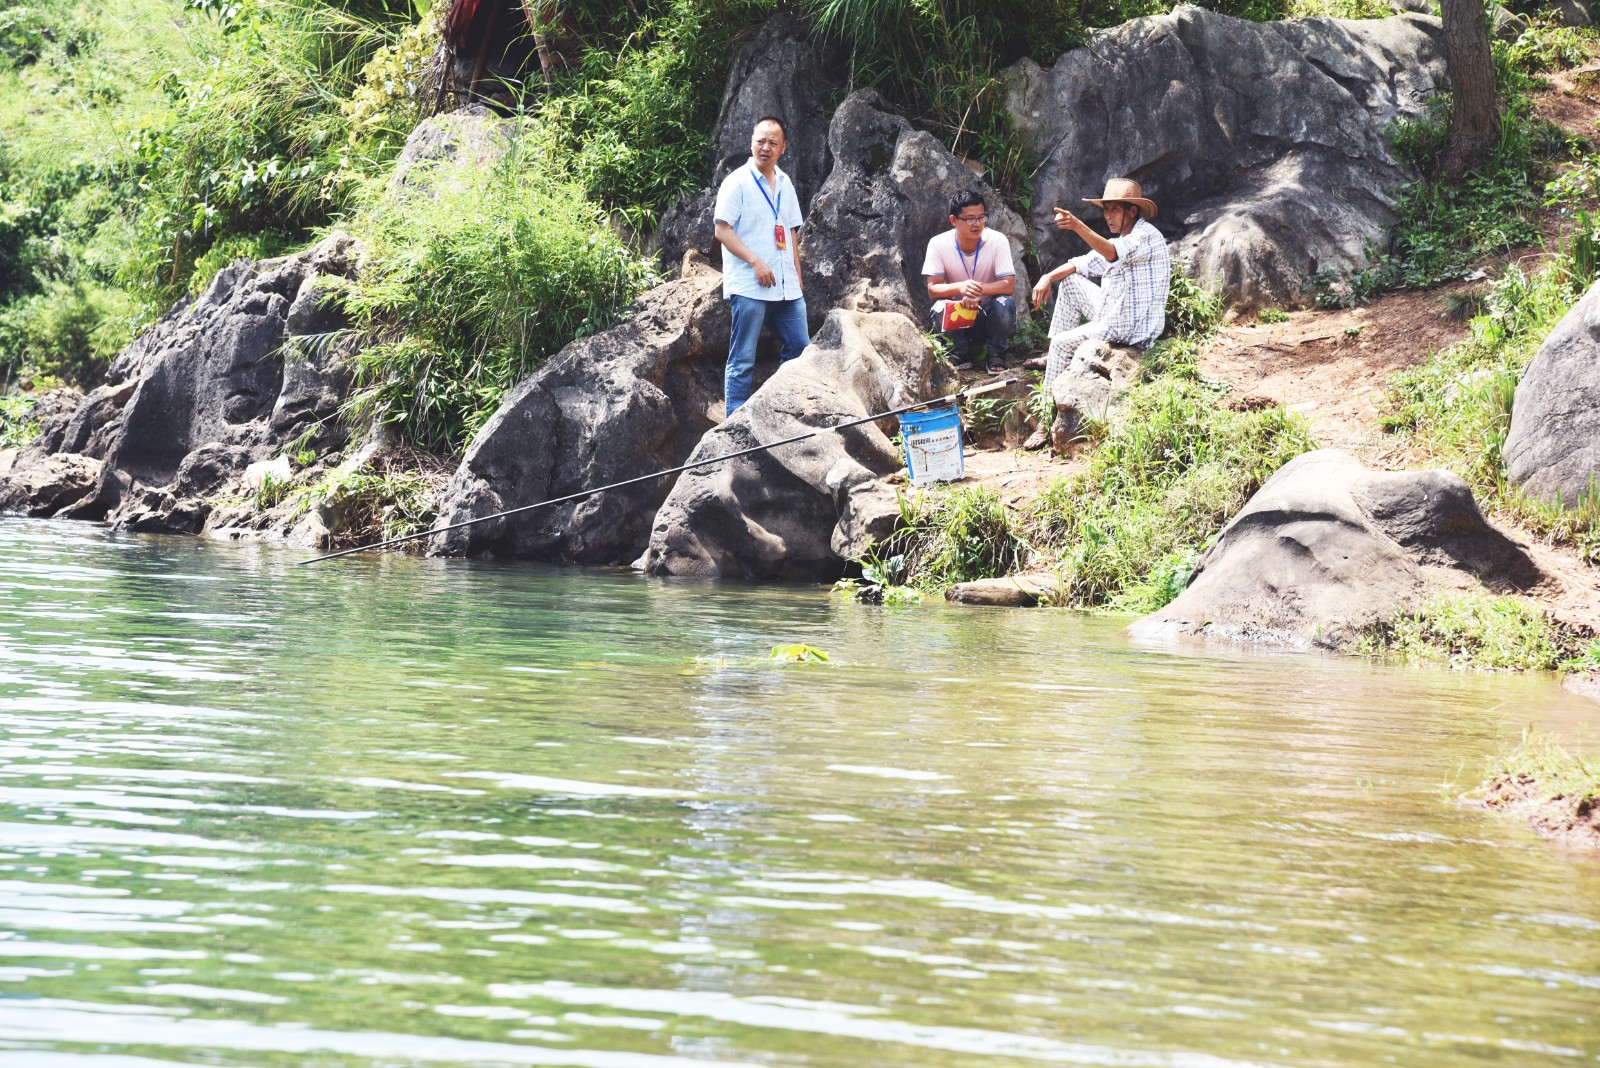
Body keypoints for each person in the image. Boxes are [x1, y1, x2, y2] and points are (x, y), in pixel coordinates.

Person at [1025, 178, 1171, 398]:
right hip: (1112, 315)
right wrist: (1047, 276)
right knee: (1070, 282)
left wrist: (1076, 225)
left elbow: (1112, 252)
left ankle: (1045, 418)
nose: (1108, 215)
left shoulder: (1145, 236)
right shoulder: (1124, 238)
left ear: (1132, 211)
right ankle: (1054, 358)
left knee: (1060, 344)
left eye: (1114, 210)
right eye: (1106, 210)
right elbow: (1082, 263)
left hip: (1129, 329)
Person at [713, 116, 809, 416]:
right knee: (742, 359)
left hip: (785, 286)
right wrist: (755, 261)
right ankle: (732, 427)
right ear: (751, 142)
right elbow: (722, 229)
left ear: (783, 148)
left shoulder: (784, 181)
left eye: (772, 143)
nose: (765, 147)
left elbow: (791, 230)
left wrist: (797, 275)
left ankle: (778, 411)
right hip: (750, 285)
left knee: (801, 350)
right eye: (760, 141)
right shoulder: (737, 182)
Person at [922, 190, 1017, 374]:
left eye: (981, 217)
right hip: (958, 313)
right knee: (939, 308)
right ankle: (960, 353)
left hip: (988, 314)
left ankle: (996, 354)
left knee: (1004, 304)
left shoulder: (997, 241)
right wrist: (960, 288)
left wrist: (975, 290)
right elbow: (933, 290)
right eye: (970, 219)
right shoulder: (938, 243)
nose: (977, 223)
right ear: (953, 220)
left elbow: (1008, 285)